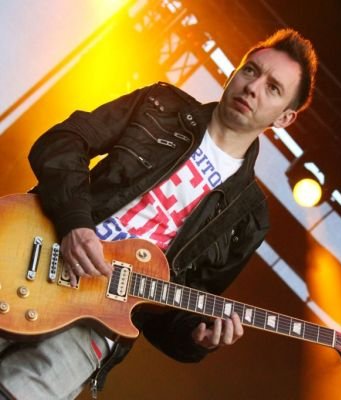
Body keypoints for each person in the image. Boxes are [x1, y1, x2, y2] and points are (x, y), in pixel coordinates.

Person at [0, 28, 317, 399]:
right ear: (235, 73)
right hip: (31, 252)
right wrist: (75, 223)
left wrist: (197, 338)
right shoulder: (161, 105)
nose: (253, 87)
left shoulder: (248, 217)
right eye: (251, 70)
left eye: (273, 88)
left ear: (285, 118)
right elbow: (62, 141)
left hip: (92, 328)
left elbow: (169, 314)